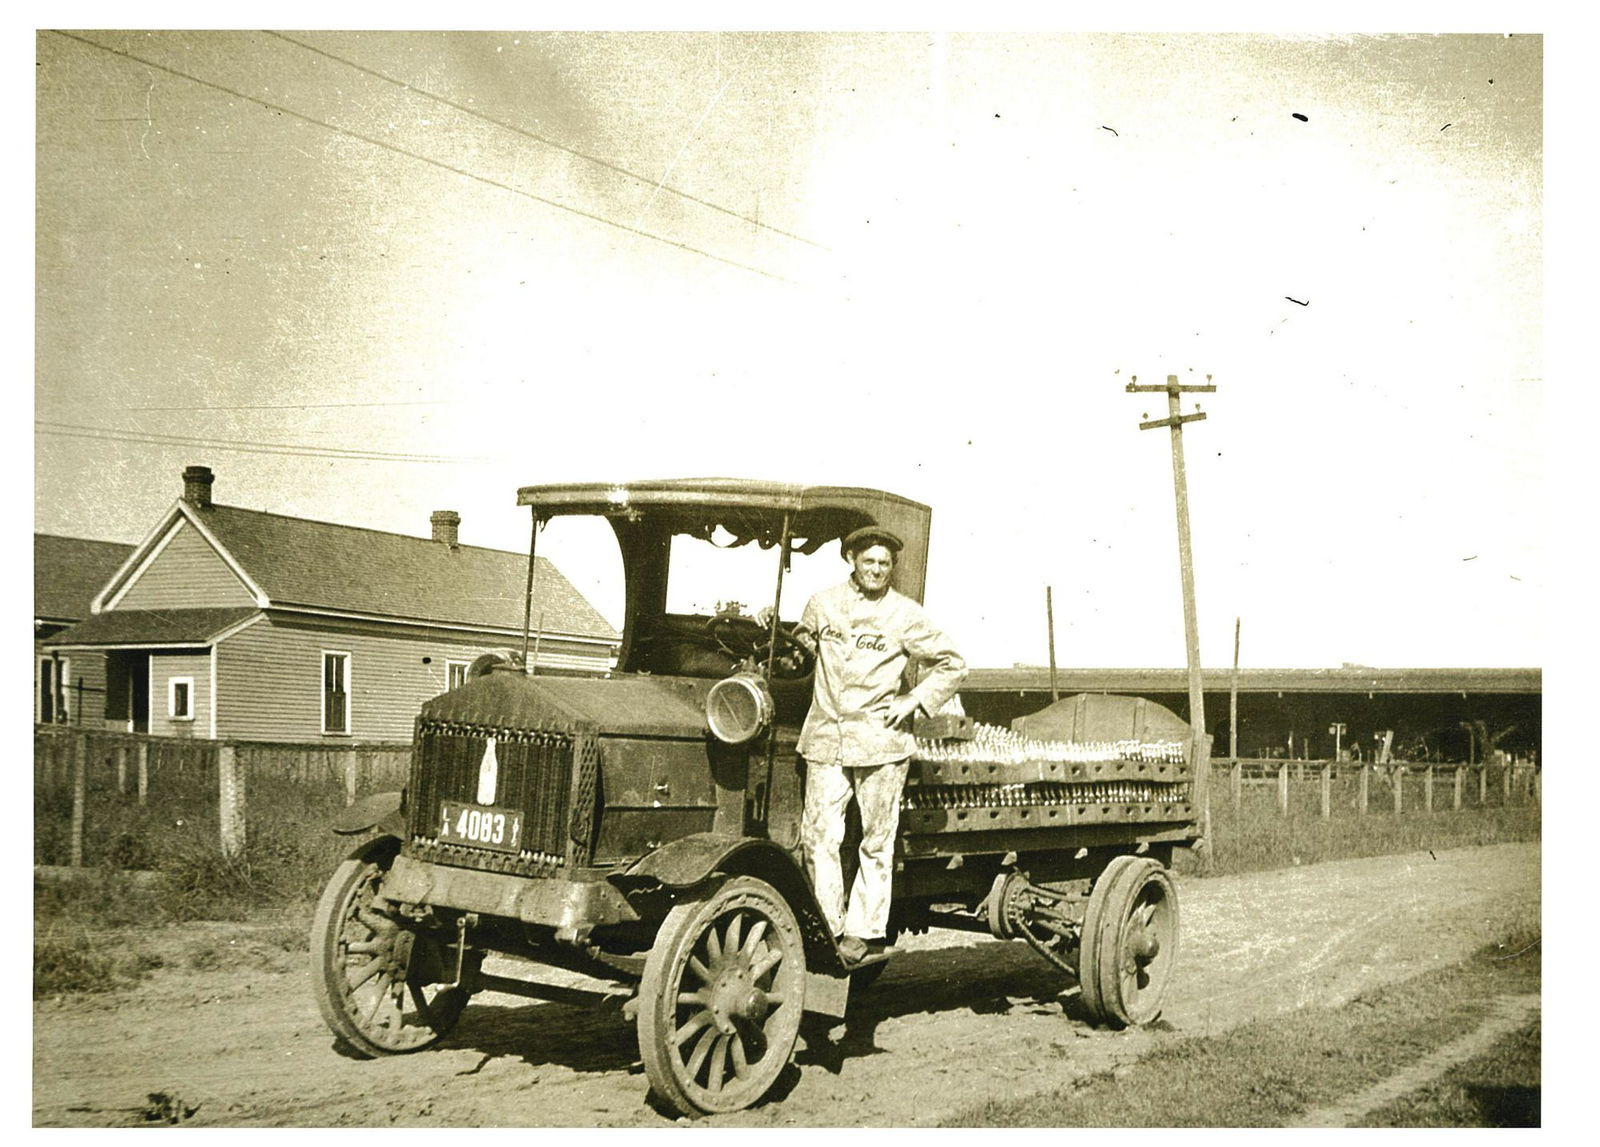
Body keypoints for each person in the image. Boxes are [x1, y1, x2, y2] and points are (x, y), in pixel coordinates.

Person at [790, 525, 967, 964]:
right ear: (851, 559)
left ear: (892, 568)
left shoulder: (906, 615)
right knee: (819, 838)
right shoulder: (822, 604)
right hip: (826, 738)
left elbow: (953, 664)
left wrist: (915, 700)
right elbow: (800, 646)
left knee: (875, 840)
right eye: (868, 561)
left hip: (881, 742)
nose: (876, 570)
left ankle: (863, 931)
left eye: (884, 564)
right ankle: (827, 926)